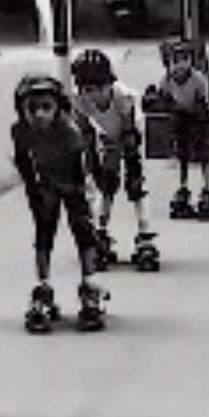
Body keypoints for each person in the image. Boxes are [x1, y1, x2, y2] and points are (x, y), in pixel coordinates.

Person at [10, 73, 110, 332]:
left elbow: (86, 169)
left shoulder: (72, 131)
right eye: (32, 109)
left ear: (59, 109)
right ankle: (43, 286)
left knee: (82, 230)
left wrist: (89, 202)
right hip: (47, 180)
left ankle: (90, 284)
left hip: (78, 180)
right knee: (44, 230)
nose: (39, 115)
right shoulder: (19, 131)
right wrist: (34, 189)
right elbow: (23, 161)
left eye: (46, 107)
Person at [70, 49, 159, 272]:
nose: (91, 96)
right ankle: (100, 230)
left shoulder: (123, 97)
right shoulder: (78, 99)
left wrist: (130, 157)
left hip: (132, 134)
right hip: (105, 137)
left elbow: (130, 134)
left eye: (96, 89)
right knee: (105, 184)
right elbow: (84, 131)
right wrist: (92, 158)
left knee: (136, 185)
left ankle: (145, 233)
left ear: (108, 84)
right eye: (86, 89)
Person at [147, 37, 209, 220]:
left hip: (198, 118)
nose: (180, 65)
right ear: (168, 64)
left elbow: (205, 101)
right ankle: (183, 186)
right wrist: (156, 101)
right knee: (182, 155)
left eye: (185, 60)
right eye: (175, 61)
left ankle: (207, 188)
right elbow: (163, 98)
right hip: (180, 119)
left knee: (203, 154)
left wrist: (203, 112)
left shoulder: (198, 79)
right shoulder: (166, 80)